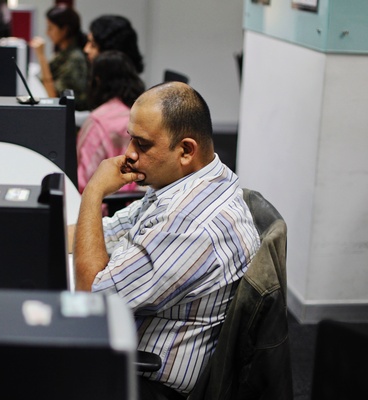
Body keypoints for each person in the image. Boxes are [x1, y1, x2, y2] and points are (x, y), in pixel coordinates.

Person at [72, 82, 261, 398]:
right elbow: (109, 230)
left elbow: (91, 297)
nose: (129, 153)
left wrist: (93, 191)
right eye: (131, 138)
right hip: (129, 345)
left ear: (186, 150)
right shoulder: (187, 182)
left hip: (148, 382)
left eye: (142, 145)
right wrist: (36, 231)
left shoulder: (190, 225)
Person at [76, 50, 145, 194]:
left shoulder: (97, 122)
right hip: (139, 201)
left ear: (97, 81)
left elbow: (82, 183)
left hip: (101, 205)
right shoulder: (143, 114)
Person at [30, 4, 89, 110]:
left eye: (50, 28)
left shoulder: (75, 59)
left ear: (64, 30)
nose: (47, 32)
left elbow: (54, 97)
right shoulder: (63, 53)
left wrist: (41, 56)